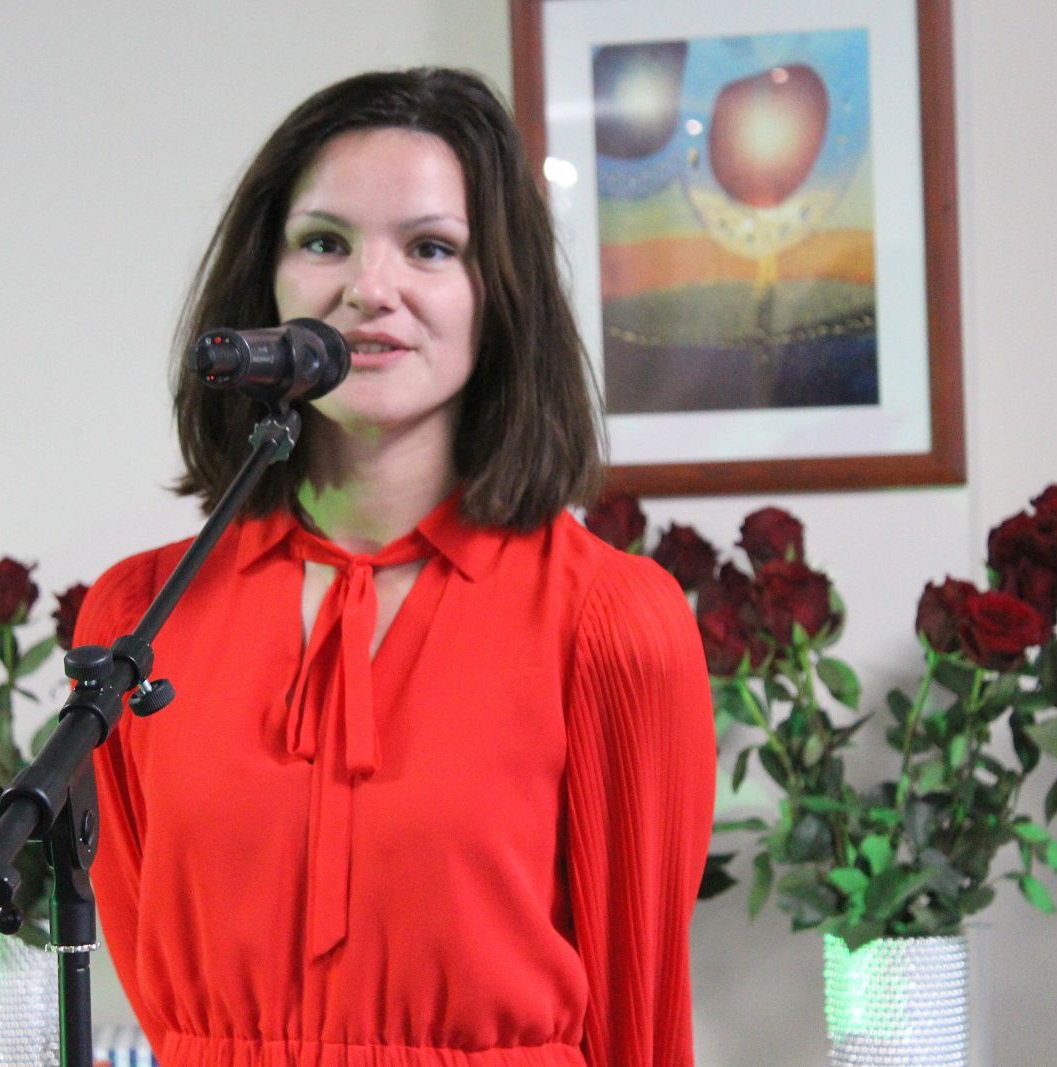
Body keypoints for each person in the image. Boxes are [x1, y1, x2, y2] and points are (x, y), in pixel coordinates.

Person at [75, 67, 715, 1067]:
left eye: (430, 248)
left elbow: (642, 1012)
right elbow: (166, 1001)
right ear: (266, 280)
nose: (370, 289)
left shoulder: (611, 621)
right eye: (324, 241)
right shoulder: (140, 616)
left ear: (498, 293)